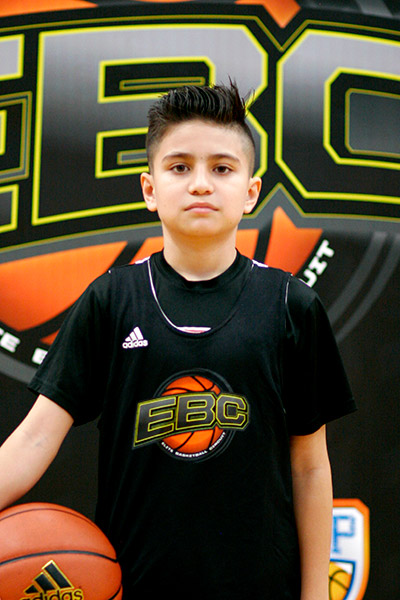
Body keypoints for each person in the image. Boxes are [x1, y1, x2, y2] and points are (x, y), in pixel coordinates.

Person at [0, 83, 355, 599]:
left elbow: (310, 466)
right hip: (136, 585)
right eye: (180, 167)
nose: (201, 184)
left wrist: (316, 593)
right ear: (150, 189)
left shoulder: (291, 305)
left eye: (222, 168)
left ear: (251, 192)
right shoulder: (111, 300)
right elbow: (34, 439)